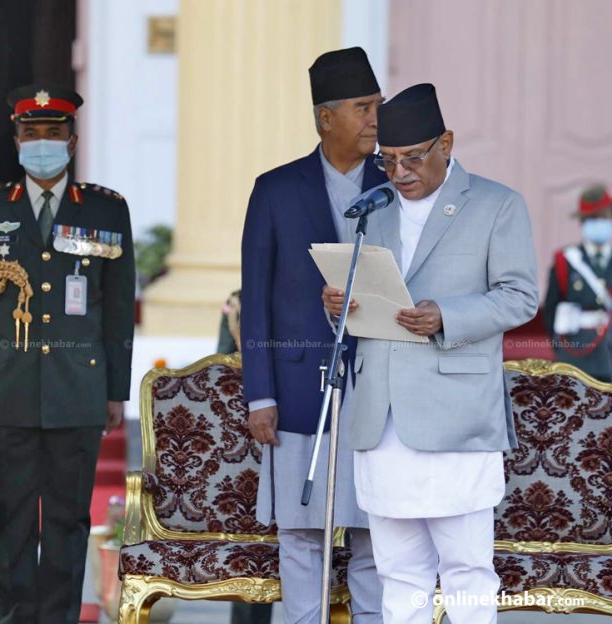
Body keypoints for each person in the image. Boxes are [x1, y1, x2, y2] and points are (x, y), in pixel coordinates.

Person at [323, 83, 538, 624]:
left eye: (412, 158)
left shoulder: (496, 204)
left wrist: (449, 314)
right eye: (388, 160)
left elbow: (520, 296)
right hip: (381, 416)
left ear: (446, 142)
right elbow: (366, 305)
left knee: (466, 569)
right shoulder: (369, 213)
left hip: (455, 414)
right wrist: (340, 304)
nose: (398, 173)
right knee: (398, 571)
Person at [0, 84, 135, 624]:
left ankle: (57, 616)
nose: (41, 144)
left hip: (78, 386)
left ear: (72, 141)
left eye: (52, 134)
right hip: (6, 383)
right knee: (11, 517)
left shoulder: (105, 209)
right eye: (30, 133)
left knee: (67, 518)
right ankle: (15, 615)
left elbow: (117, 306)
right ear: (15, 140)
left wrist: (115, 390)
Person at [240, 47, 386, 624]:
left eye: (377, 106)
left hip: (381, 390)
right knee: (303, 536)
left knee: (378, 534)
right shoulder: (276, 189)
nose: (376, 119)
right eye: (363, 107)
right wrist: (260, 394)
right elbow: (257, 299)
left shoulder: (396, 184)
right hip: (301, 391)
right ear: (326, 117)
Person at [542, 184, 612, 380]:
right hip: (575, 356)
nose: (599, 223)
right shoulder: (566, 261)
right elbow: (551, 310)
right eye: (592, 219)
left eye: (604, 217)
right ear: (582, 222)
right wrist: (560, 346)